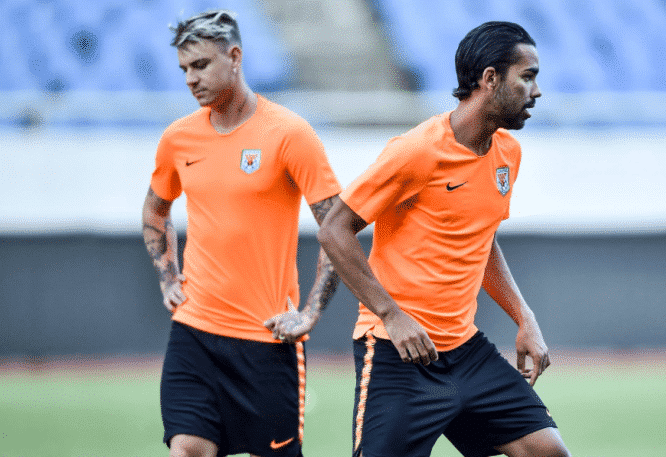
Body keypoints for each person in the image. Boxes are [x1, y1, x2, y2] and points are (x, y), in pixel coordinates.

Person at [318, 21, 570, 457]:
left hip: (465, 350)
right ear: (490, 79)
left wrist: (523, 317)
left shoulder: (507, 153)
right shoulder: (416, 151)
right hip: (400, 353)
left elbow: (480, 237)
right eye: (527, 77)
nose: (537, 91)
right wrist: (392, 315)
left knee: (547, 452)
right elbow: (334, 229)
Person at [141, 9, 341, 457]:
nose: (191, 79)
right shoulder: (178, 138)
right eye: (184, 68)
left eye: (201, 65)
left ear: (235, 57)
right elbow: (155, 209)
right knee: (186, 449)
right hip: (194, 331)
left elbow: (337, 227)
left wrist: (310, 312)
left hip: (267, 339)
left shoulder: (290, 133)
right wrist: (167, 276)